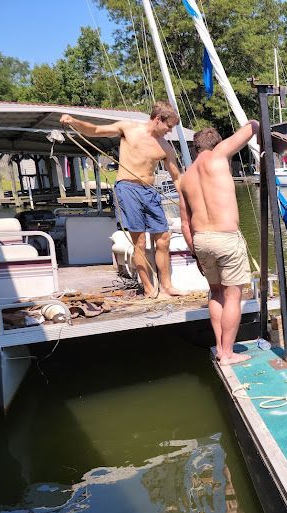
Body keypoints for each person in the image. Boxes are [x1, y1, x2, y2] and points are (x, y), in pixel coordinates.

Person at [60, 101, 184, 297]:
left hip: (150, 192)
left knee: (163, 239)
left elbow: (176, 176)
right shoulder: (129, 128)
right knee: (140, 241)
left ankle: (167, 286)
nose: (169, 132)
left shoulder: (165, 147)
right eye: (169, 127)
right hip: (128, 188)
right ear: (158, 119)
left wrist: (186, 201)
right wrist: (74, 121)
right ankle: (149, 289)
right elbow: (95, 129)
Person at [178, 121, 259, 365]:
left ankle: (220, 346)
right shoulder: (219, 154)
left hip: (201, 239)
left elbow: (185, 224)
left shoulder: (185, 178)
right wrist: (255, 122)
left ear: (195, 149)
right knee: (233, 297)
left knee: (215, 293)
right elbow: (252, 126)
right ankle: (227, 353)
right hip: (226, 237)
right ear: (216, 144)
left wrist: (195, 254)